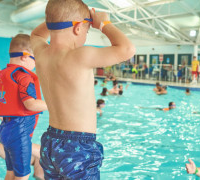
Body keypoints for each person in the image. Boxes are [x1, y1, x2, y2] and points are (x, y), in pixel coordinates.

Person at [30, 0, 135, 179]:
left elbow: (36, 34)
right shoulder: (79, 56)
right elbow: (127, 49)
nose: (86, 35)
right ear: (78, 28)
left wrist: (56, 17)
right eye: (87, 30)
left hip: (50, 143)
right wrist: (103, 24)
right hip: (77, 147)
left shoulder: (41, 52)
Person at [0, 34, 48, 180]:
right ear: (25, 56)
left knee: (11, 172)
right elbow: (30, 104)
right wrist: (55, 104)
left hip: (5, 129)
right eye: (35, 58)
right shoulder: (24, 76)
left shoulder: (2, 74)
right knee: (23, 175)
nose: (36, 64)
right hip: (19, 131)